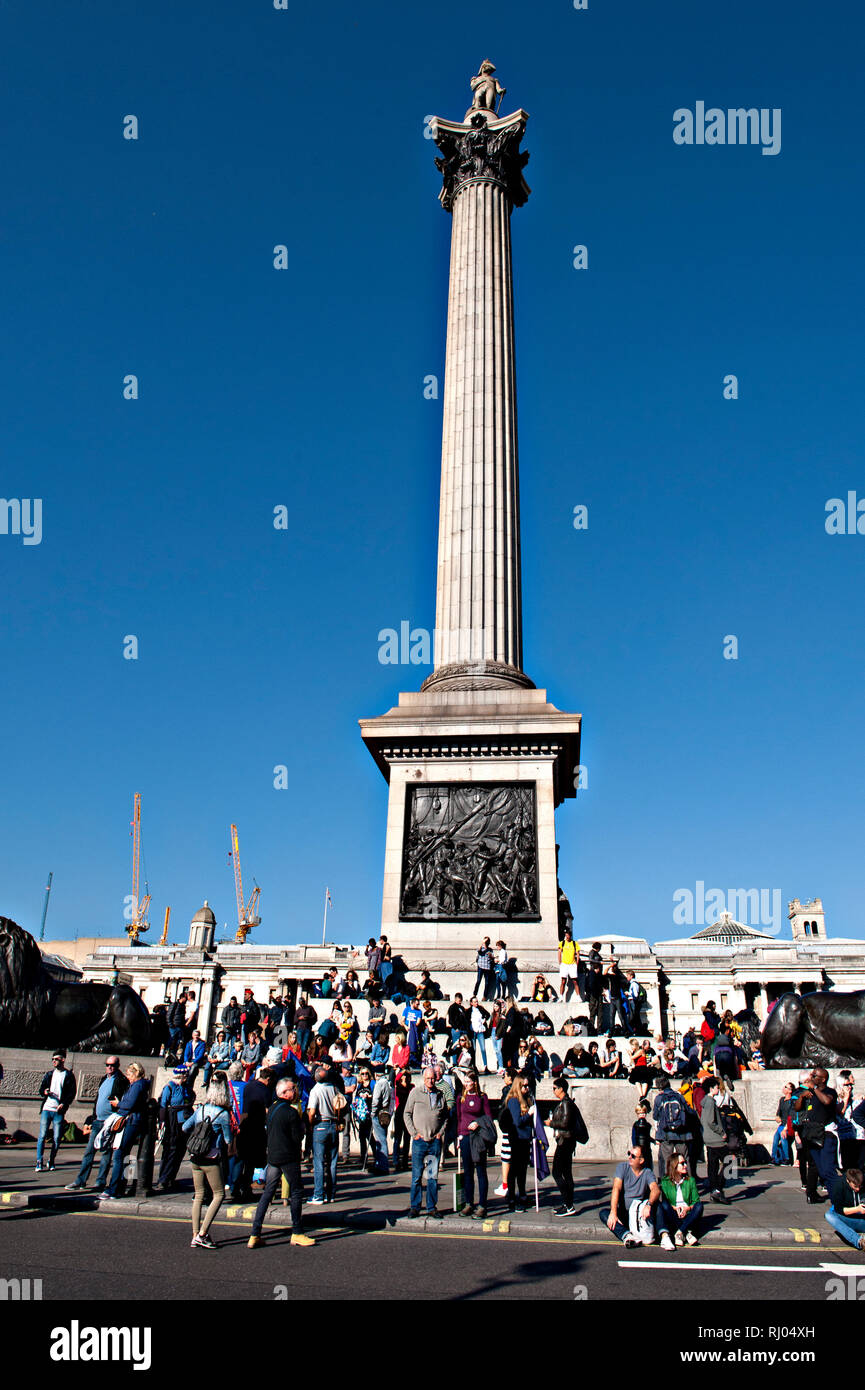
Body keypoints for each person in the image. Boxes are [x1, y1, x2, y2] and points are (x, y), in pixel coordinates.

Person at [247, 1078, 315, 1249]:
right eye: (293, 1089)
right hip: (288, 1156)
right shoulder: (291, 1112)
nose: (296, 1091)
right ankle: (297, 1232)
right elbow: (297, 1136)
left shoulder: (273, 1109)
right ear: (285, 1093)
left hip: (273, 1156)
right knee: (297, 1191)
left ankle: (255, 1233)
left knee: (268, 1192)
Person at [181, 1073, 232, 1249]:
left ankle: (195, 1234)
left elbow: (185, 1127)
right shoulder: (223, 1114)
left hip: (195, 1155)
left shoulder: (201, 1109)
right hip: (210, 1158)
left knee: (199, 1195)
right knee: (219, 1194)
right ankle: (203, 1233)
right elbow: (227, 1140)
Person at [66, 1056, 126, 1192]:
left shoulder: (121, 1080)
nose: (110, 1067)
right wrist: (92, 1117)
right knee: (89, 1152)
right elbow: (98, 1099)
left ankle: (100, 1182)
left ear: (117, 1066)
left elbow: (123, 1100)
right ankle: (80, 1181)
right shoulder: (104, 1079)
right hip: (97, 1120)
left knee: (105, 1153)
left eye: (113, 1065)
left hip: (109, 1122)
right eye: (107, 1065)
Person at [99, 1062, 150, 1201]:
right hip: (133, 1121)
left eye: (129, 1074)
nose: (127, 1077)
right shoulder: (138, 1085)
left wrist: (118, 1104)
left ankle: (113, 1189)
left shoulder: (137, 1085)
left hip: (130, 1122)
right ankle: (120, 1187)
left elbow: (129, 1104)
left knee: (119, 1155)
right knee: (125, 1155)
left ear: (135, 1073)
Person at [404, 1066, 449, 1218]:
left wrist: (440, 1133)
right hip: (420, 1142)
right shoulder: (415, 1093)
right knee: (416, 1176)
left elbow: (445, 1117)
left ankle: (431, 1207)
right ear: (423, 1079)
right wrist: (414, 1133)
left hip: (434, 1142)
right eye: (428, 1078)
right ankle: (415, 1207)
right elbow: (407, 1114)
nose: (431, 1081)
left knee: (432, 1177)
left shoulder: (440, 1094)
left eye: (433, 1078)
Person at [600, 1144, 661, 1247]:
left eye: (633, 1156)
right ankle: (627, 1235)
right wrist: (613, 1212)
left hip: (639, 1215)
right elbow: (616, 1188)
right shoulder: (622, 1167)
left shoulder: (647, 1172)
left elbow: (655, 1189)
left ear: (641, 1160)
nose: (629, 1157)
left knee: (659, 1205)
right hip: (625, 1213)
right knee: (604, 1214)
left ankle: (664, 1235)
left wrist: (649, 1205)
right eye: (629, 1153)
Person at [795, 1066, 839, 1204]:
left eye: (814, 1076)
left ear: (823, 1079)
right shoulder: (810, 1093)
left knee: (827, 1170)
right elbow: (797, 1108)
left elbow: (827, 1101)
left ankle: (837, 1199)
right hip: (812, 1134)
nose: (811, 1078)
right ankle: (812, 1194)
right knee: (817, 1167)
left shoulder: (829, 1091)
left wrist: (814, 1089)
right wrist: (802, 1096)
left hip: (826, 1134)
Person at [456, 1073, 494, 1218]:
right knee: (468, 1172)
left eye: (469, 1082)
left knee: (480, 1171)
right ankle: (468, 1203)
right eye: (465, 1082)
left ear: (475, 1082)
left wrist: (478, 1122)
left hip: (478, 1138)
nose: (466, 1084)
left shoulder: (482, 1097)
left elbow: (488, 1117)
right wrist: (459, 1136)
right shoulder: (461, 1097)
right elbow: (459, 1118)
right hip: (465, 1137)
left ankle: (482, 1205)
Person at [152, 1065, 193, 1193]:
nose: (187, 1078)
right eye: (185, 1076)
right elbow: (163, 1105)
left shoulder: (186, 1087)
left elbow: (191, 1097)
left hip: (184, 1123)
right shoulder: (169, 1087)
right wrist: (162, 1123)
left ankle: (171, 1178)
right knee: (170, 1151)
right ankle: (163, 1179)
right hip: (173, 1122)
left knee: (180, 1152)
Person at [549, 1076, 586, 1216]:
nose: (553, 1091)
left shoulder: (566, 1103)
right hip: (566, 1141)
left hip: (565, 1141)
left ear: (561, 1089)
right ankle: (567, 1203)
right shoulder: (566, 1102)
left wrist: (550, 1123)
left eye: (554, 1088)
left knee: (557, 1173)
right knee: (566, 1173)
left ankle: (569, 1204)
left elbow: (565, 1123)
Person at [36, 1050, 77, 1172]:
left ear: (63, 1060)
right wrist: (45, 1091)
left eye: (57, 1059)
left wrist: (64, 1104)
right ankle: (39, 1161)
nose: (54, 1061)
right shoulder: (49, 1074)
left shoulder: (68, 1075)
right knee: (42, 1135)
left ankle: (51, 1160)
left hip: (58, 1110)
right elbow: (41, 1088)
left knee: (56, 1137)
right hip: (47, 1108)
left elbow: (71, 1093)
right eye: (52, 1059)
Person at [307, 1065, 342, 1204]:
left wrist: (310, 1124)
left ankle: (318, 1195)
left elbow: (311, 1112)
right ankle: (331, 1194)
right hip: (333, 1125)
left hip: (320, 1125)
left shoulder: (315, 1090)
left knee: (319, 1162)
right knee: (332, 1162)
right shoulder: (334, 1088)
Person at [657, 1152, 703, 1249]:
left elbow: (695, 1201)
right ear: (674, 1166)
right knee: (664, 1205)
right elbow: (666, 1202)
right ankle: (687, 1233)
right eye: (682, 1163)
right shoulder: (665, 1182)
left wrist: (687, 1209)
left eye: (685, 1162)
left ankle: (680, 1232)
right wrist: (675, 1208)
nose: (685, 1165)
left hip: (688, 1214)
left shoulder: (690, 1180)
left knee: (699, 1206)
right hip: (674, 1213)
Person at [502, 1075, 534, 1212]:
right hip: (517, 1138)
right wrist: (529, 1114)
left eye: (528, 1086)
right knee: (515, 1169)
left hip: (525, 1138)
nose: (527, 1088)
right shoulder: (514, 1101)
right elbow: (517, 1121)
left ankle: (522, 1194)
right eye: (524, 1086)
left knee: (523, 1170)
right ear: (518, 1086)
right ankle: (512, 1197)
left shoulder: (526, 1099)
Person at [652, 1075, 691, 1171]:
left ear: (659, 1087)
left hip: (665, 1133)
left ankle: (669, 1182)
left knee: (667, 1160)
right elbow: (688, 1111)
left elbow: (655, 1116)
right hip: (681, 1132)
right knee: (684, 1159)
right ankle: (688, 1182)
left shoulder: (659, 1098)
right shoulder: (679, 1096)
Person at [700, 1077, 730, 1204]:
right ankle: (718, 1188)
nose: (719, 1088)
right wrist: (722, 1133)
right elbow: (711, 1121)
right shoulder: (711, 1102)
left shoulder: (705, 1101)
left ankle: (714, 1191)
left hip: (708, 1138)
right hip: (716, 1139)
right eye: (717, 1087)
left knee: (713, 1166)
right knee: (729, 1162)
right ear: (711, 1088)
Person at [825, 1166, 865, 1251]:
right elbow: (839, 1210)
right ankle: (859, 1241)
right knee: (829, 1215)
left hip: (862, 1220)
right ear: (848, 1181)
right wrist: (857, 1209)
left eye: (860, 1186)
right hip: (847, 1219)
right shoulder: (839, 1186)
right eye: (855, 1186)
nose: (858, 1189)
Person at [370, 1068, 392, 1174]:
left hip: (378, 1113)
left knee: (380, 1140)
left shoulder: (380, 1083)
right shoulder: (387, 1082)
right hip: (385, 1112)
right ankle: (380, 1164)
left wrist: (373, 1112)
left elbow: (375, 1100)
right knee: (381, 1138)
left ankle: (382, 1166)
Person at [391, 1068, 413, 1170]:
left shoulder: (412, 1087)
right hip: (399, 1114)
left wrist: (406, 1075)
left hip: (408, 1115)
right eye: (404, 1077)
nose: (405, 1079)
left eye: (407, 1077)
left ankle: (404, 1161)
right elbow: (396, 1080)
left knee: (407, 1139)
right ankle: (396, 1161)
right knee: (397, 1138)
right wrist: (402, 1073)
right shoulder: (398, 1087)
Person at [771, 1082, 796, 1166]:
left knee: (783, 1137)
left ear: (790, 1091)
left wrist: (785, 1127)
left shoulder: (792, 1101)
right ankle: (774, 1158)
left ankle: (787, 1159)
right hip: (782, 1124)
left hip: (788, 1125)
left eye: (786, 1087)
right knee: (775, 1138)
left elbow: (791, 1115)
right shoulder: (782, 1099)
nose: (783, 1088)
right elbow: (779, 1112)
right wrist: (777, 1117)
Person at [469, 997, 491, 1073]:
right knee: (473, 1049)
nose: (476, 1003)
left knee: (483, 1049)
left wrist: (484, 1019)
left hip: (480, 1030)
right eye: (474, 1002)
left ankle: (485, 1066)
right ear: (471, 1003)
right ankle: (474, 1066)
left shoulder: (480, 1009)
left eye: (477, 1001)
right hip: (473, 1031)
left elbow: (488, 1014)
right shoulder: (469, 1011)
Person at [557, 927, 579, 1002]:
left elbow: (577, 954)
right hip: (564, 964)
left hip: (572, 964)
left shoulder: (574, 943)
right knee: (563, 981)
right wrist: (560, 963)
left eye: (568, 935)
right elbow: (559, 953)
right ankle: (561, 996)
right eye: (566, 935)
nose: (567, 936)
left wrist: (577, 964)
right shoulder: (562, 943)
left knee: (575, 981)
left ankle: (578, 996)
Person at [632, 1100, 653, 1169]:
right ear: (637, 1114)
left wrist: (653, 1141)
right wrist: (635, 1147)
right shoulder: (636, 1125)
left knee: (648, 1163)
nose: (642, 1115)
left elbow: (647, 1136)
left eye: (644, 1113)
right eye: (640, 1114)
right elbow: (633, 1136)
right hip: (639, 1147)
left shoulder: (648, 1125)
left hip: (647, 1148)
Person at [585, 961, 604, 1036]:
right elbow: (591, 986)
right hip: (595, 996)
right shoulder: (593, 975)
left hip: (593, 996)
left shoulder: (590, 974)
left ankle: (592, 1030)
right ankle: (597, 1030)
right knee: (598, 1013)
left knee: (593, 1014)